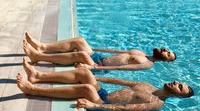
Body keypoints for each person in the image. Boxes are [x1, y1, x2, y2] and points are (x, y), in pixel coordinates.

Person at [17, 58, 193, 111]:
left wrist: (95, 105)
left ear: (178, 96)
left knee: (87, 88)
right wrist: (96, 77)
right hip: (105, 95)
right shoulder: (147, 84)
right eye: (179, 82)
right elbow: (120, 81)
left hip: (103, 107)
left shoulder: (157, 104)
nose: (177, 83)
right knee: (85, 74)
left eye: (180, 87)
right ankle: (38, 75)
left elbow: (125, 109)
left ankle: (31, 89)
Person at [23, 32, 176, 71]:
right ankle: (43, 47)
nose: (165, 50)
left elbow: (123, 67)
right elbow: (115, 51)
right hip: (100, 57)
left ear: (166, 61)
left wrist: (94, 68)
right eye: (168, 50)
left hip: (100, 67)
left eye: (168, 54)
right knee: (80, 41)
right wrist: (95, 48)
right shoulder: (141, 53)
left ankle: (38, 57)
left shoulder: (147, 64)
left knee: (82, 54)